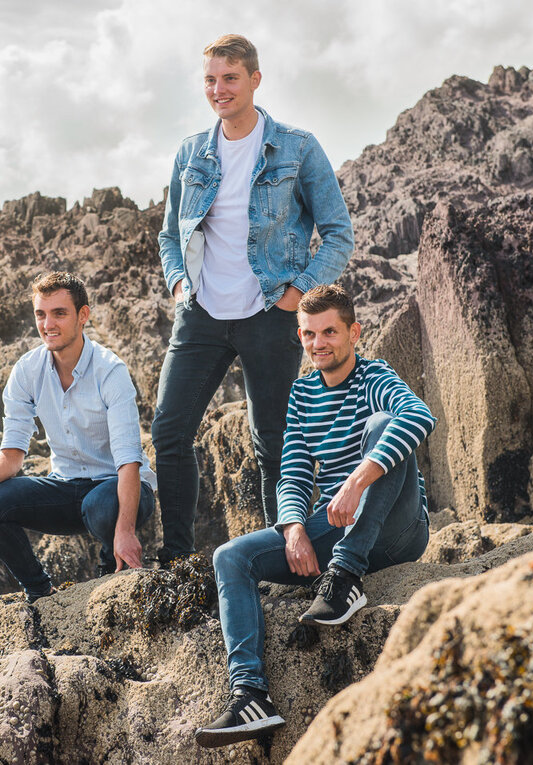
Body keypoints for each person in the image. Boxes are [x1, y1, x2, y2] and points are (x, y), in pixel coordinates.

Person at [194, 284, 435, 748]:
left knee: (385, 425)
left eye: (329, 332)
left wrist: (355, 481)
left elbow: (418, 415)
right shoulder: (303, 393)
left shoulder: (374, 376)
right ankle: (249, 695)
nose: (318, 343)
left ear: (354, 333)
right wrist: (294, 527)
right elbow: (293, 473)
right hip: (340, 526)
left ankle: (344, 578)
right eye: (308, 334)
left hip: (399, 528)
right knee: (230, 557)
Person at [153, 33, 354, 565]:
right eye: (210, 80)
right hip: (201, 314)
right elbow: (170, 235)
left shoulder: (297, 147)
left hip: (269, 313)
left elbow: (338, 232)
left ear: (255, 80)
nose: (219, 90)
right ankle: (176, 557)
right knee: (169, 431)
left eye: (230, 78)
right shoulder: (192, 152)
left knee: (274, 443)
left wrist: (296, 295)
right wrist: (179, 284)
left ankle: (278, 554)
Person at [0, 272, 157, 601]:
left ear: (83, 315)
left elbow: (128, 461)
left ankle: (109, 574)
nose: (48, 324)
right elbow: (12, 453)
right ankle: (39, 590)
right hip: (65, 489)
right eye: (41, 314)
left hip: (119, 489)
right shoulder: (27, 371)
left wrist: (124, 531)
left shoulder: (111, 372)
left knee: (101, 505)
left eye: (59, 313)